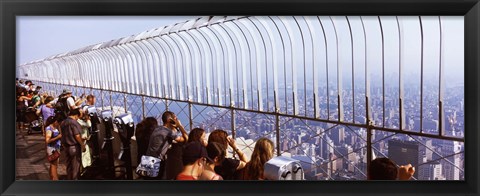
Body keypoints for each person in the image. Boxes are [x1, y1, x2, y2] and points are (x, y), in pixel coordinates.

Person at [145, 111, 188, 180]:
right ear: (170, 120)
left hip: (148, 160)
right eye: (175, 119)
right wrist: (179, 126)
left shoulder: (158, 128)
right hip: (157, 162)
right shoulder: (168, 132)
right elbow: (186, 138)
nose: (176, 120)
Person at [60, 108, 87, 180]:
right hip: (74, 147)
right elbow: (77, 135)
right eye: (78, 117)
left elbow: (63, 134)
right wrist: (82, 145)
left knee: (69, 166)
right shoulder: (74, 123)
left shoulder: (63, 122)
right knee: (76, 166)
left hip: (66, 147)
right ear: (76, 115)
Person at [44, 116, 62, 180]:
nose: (57, 123)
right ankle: (55, 179)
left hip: (56, 147)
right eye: (56, 121)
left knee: (54, 165)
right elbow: (47, 140)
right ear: (54, 122)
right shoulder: (49, 129)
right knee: (54, 165)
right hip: (52, 149)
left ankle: (52, 178)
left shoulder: (54, 128)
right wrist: (58, 137)